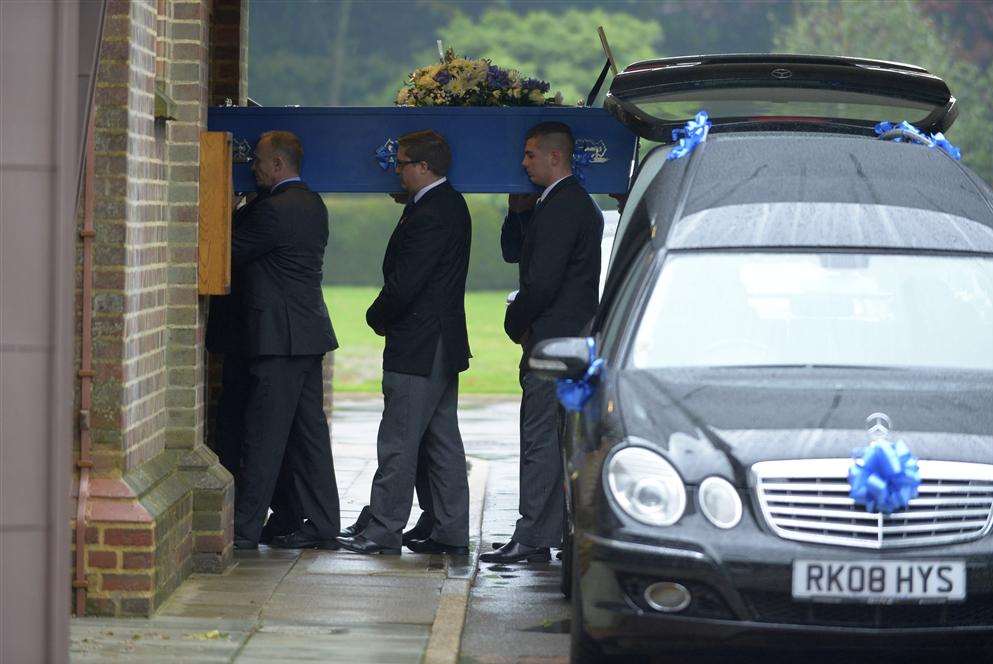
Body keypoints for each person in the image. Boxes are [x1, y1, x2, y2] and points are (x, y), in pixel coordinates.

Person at [337, 130, 471, 556]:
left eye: (402, 164)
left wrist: (375, 316)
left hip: (418, 342)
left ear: (424, 167)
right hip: (440, 342)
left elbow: (405, 283)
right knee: (441, 440)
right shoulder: (447, 205)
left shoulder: (431, 212)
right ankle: (448, 529)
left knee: (398, 440)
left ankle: (383, 529)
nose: (397, 172)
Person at [480, 122, 603, 564]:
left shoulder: (564, 207)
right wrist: (518, 212)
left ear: (556, 157)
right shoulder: (561, 204)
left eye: (531, 154)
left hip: (553, 342)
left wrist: (515, 323)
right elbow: (517, 253)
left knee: (539, 441)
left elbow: (542, 282)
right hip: (564, 337)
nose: (523, 162)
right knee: (549, 440)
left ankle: (533, 535)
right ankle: (542, 530)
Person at [230, 130, 341, 550]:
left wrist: (230, 207)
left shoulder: (272, 211)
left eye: (257, 160)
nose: (251, 168)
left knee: (264, 436)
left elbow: (228, 250)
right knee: (310, 435)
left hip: (278, 340)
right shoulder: (314, 203)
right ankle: (325, 522)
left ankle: (244, 529)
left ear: (278, 165)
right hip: (308, 336)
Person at [206, 186, 301, 546]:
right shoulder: (267, 208)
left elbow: (228, 251)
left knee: (250, 431)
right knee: (247, 428)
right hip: (246, 339)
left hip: (253, 339)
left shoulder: (265, 211)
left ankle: (250, 519)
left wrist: (225, 215)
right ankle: (276, 512)